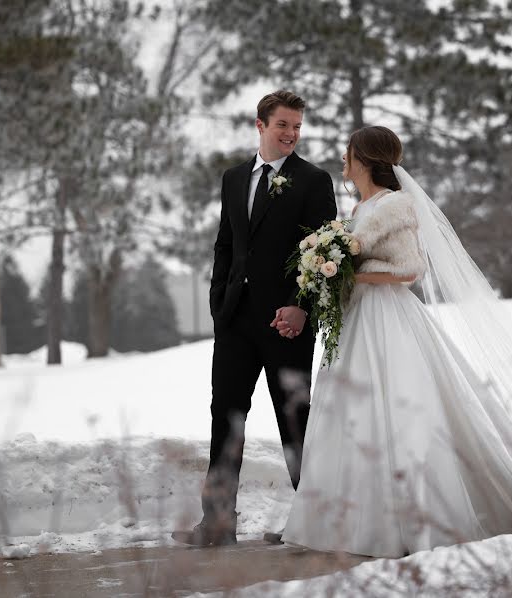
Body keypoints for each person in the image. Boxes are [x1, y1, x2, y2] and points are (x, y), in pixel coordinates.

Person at [282, 126, 512, 558]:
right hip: (356, 321)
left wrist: (347, 271)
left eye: (349, 153)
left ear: (364, 159)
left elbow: (409, 269)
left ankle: (406, 520)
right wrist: (329, 272)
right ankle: (345, 522)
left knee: (399, 410)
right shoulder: (359, 206)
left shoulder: (395, 205)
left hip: (388, 319)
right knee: (351, 411)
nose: (343, 160)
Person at [172, 91, 337, 547]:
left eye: (298, 126)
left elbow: (321, 252)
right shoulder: (233, 178)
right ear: (260, 125)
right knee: (224, 418)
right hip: (234, 324)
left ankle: (315, 524)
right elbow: (225, 244)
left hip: (287, 323)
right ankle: (218, 523)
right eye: (283, 124)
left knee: (294, 419)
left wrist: (301, 307)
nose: (292, 134)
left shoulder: (313, 180)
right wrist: (218, 304)